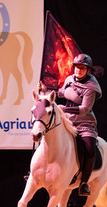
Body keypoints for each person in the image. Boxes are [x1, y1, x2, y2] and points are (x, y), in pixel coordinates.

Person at [40, 53, 102, 196]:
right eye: (77, 67)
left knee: (90, 149)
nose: (78, 70)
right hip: (68, 121)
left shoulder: (91, 87)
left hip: (84, 123)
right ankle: (38, 171)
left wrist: (63, 109)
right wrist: (45, 90)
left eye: (82, 68)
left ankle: (84, 183)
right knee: (46, 135)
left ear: (88, 70)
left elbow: (85, 109)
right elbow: (61, 93)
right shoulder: (69, 79)